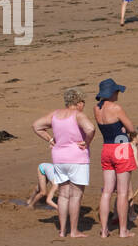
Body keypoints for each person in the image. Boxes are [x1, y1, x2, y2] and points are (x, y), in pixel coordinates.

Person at [31, 88, 95, 238]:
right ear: (78, 102)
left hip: (59, 158)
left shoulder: (55, 114)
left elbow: (36, 126)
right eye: (83, 102)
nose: (83, 105)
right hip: (77, 158)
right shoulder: (78, 115)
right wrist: (86, 142)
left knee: (64, 194)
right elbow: (90, 128)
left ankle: (62, 231)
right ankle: (73, 231)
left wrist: (51, 139)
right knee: (76, 195)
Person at [93, 77, 137, 238]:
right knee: (123, 192)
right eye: (117, 91)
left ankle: (104, 230)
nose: (118, 93)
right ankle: (123, 230)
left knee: (107, 191)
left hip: (106, 148)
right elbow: (131, 128)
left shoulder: (96, 108)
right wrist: (126, 131)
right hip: (121, 148)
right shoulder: (116, 108)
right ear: (112, 92)